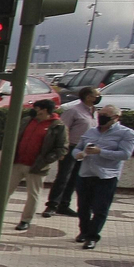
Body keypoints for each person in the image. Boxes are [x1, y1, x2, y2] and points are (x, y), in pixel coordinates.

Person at [0, 99, 66, 232]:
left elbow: (61, 147)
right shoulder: (27, 120)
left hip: (36, 166)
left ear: (45, 109)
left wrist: (46, 160)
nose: (34, 110)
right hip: (17, 162)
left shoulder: (57, 125)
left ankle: (25, 220)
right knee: (4, 191)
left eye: (37, 108)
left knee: (33, 195)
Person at [73, 105, 134, 250]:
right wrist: (78, 154)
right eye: (100, 114)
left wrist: (100, 151)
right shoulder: (91, 131)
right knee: (83, 206)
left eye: (106, 116)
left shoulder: (126, 134)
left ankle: (92, 236)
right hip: (86, 173)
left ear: (115, 118)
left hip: (106, 175)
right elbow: (78, 148)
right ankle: (84, 231)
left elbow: (125, 154)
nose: (101, 117)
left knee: (100, 207)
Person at [43, 86, 99, 218]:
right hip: (71, 147)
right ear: (88, 96)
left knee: (74, 178)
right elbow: (63, 130)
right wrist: (62, 149)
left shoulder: (94, 112)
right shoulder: (73, 111)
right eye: (96, 95)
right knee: (63, 177)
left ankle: (64, 205)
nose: (98, 98)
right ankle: (52, 205)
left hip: (85, 150)